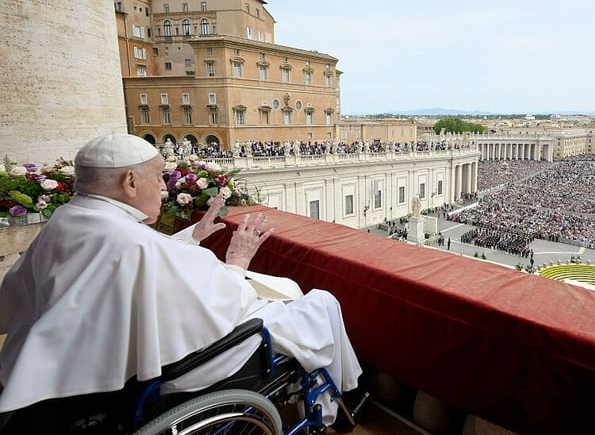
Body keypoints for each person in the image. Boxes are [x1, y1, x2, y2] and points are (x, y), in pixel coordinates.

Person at [0, 134, 361, 425]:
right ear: (129, 181)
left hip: (78, 364)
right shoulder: (131, 239)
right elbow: (219, 300)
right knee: (320, 302)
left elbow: (140, 263)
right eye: (158, 177)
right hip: (188, 365)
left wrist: (193, 236)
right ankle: (343, 394)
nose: (163, 188)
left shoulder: (71, 217)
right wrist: (237, 261)